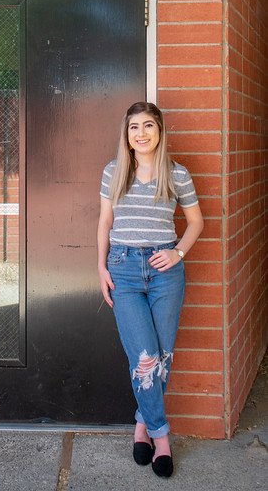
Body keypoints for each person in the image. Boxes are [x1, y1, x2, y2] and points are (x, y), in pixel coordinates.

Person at [97, 101, 203, 478]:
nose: (140, 134)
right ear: (126, 136)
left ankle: (142, 424)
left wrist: (177, 253)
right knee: (144, 354)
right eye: (133, 128)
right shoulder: (114, 172)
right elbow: (105, 220)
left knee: (162, 355)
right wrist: (101, 265)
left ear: (159, 132)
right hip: (123, 270)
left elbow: (195, 221)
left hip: (164, 272)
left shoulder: (176, 174)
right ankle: (161, 438)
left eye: (148, 126)